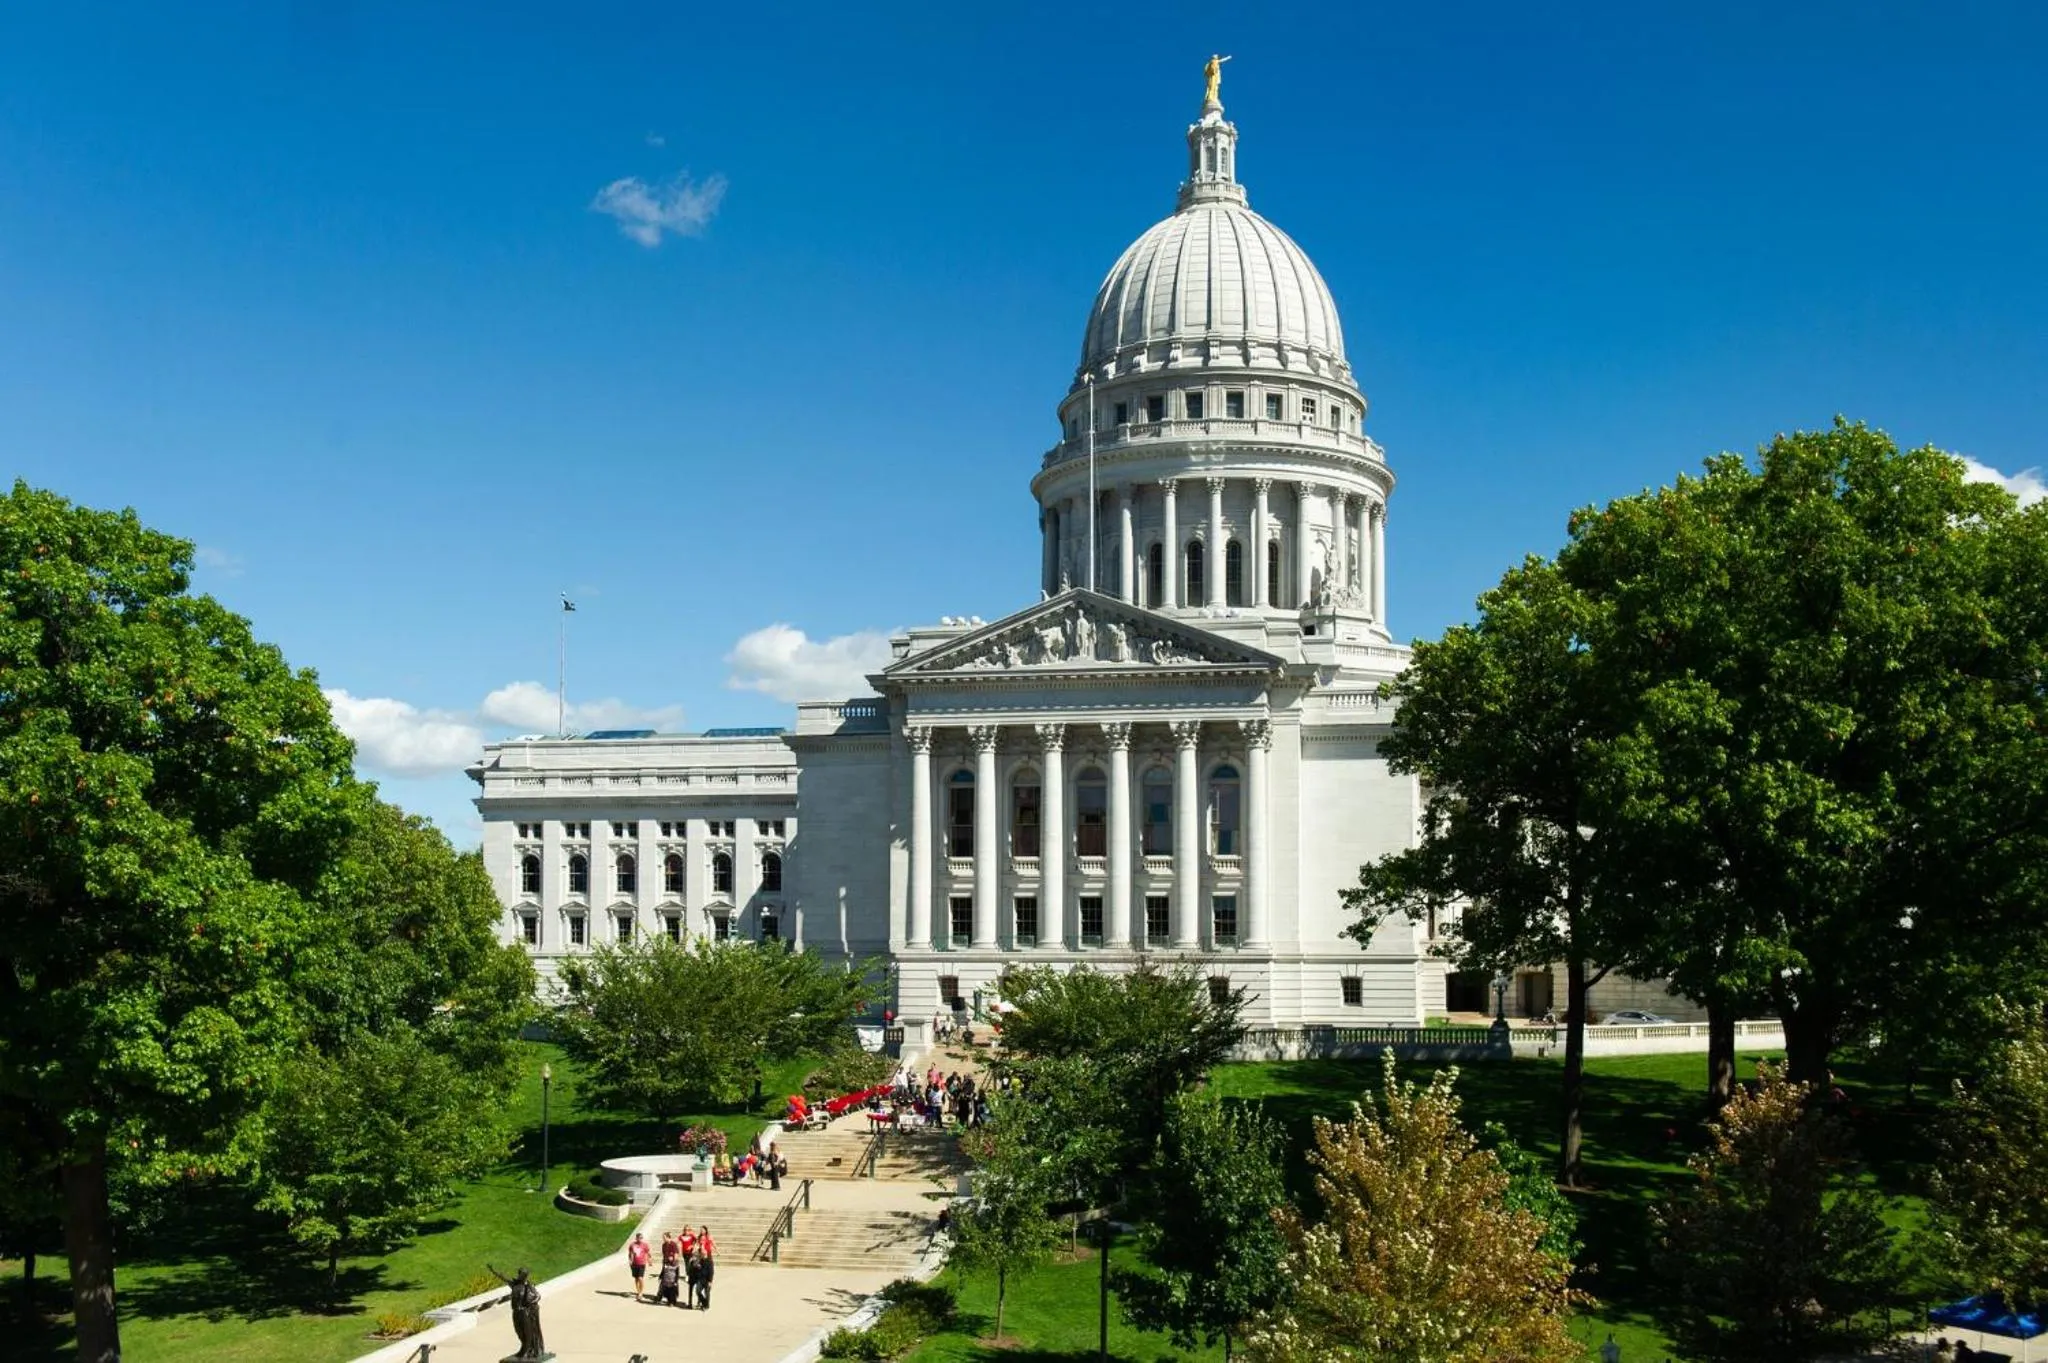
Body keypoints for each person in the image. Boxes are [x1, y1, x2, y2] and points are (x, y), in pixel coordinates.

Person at [694, 1226, 716, 1310]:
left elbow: (711, 1271)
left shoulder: (709, 1261)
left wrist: (710, 1281)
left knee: (707, 1292)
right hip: (701, 1278)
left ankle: (706, 1305)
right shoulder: (699, 1260)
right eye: (700, 1230)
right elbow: (696, 1245)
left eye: (703, 1230)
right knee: (698, 1291)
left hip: (707, 1279)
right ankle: (703, 1302)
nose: (701, 1231)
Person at [627, 1231, 650, 1301]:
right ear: (636, 1238)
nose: (640, 1239)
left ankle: (641, 1293)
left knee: (640, 1278)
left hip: (642, 1263)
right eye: (639, 1238)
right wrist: (630, 1261)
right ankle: (638, 1291)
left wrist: (649, 1260)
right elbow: (630, 1253)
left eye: (641, 1238)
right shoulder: (632, 1245)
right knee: (636, 1278)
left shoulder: (645, 1245)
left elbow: (647, 1252)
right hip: (634, 1264)